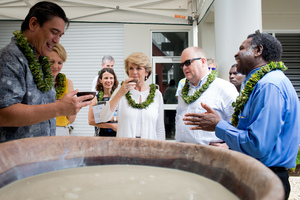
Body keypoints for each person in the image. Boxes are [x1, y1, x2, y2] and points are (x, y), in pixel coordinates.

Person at [182, 31, 300, 200]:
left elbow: (257, 145)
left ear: (258, 50)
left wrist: (218, 125)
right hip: (260, 173)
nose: (236, 54)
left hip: (266, 177)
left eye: (242, 48)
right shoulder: (262, 83)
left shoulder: (269, 86)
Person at [0, 1, 93, 143]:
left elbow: (35, 106)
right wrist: (59, 108)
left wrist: (65, 104)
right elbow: (4, 114)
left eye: (60, 35)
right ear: (33, 24)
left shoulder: (41, 62)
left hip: (41, 153)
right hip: (17, 159)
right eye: (54, 32)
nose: (57, 40)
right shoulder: (10, 57)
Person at [175, 47, 238, 147]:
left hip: (211, 156)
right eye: (182, 65)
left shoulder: (224, 88)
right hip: (182, 154)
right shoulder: (184, 91)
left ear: (203, 61)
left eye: (187, 63)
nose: (184, 68)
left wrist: (228, 146)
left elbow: (239, 124)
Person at [99, 52, 165, 140]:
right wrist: (120, 94)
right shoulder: (120, 91)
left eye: (138, 68)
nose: (134, 72)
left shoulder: (157, 95)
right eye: (131, 68)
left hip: (149, 148)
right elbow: (103, 117)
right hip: (125, 148)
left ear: (147, 72)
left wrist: (160, 150)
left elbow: (160, 128)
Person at [49, 43, 76, 135]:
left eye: (60, 63)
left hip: (62, 131)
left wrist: (73, 106)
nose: (56, 67)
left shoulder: (68, 83)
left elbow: (71, 119)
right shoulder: (36, 83)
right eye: (51, 62)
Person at [88, 68, 119, 137]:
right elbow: (91, 121)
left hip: (118, 135)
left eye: (111, 78)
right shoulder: (95, 98)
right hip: (101, 136)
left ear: (114, 80)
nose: (109, 80)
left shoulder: (118, 97)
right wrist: (111, 125)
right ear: (100, 80)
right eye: (106, 78)